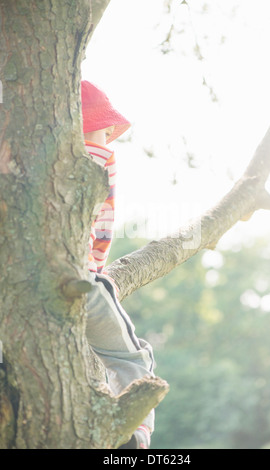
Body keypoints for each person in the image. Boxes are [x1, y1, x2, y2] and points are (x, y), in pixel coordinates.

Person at [81, 80, 155, 449]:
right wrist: (95, 270)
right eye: (104, 130)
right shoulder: (101, 162)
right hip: (84, 283)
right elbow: (103, 236)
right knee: (129, 357)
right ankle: (135, 432)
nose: (109, 137)